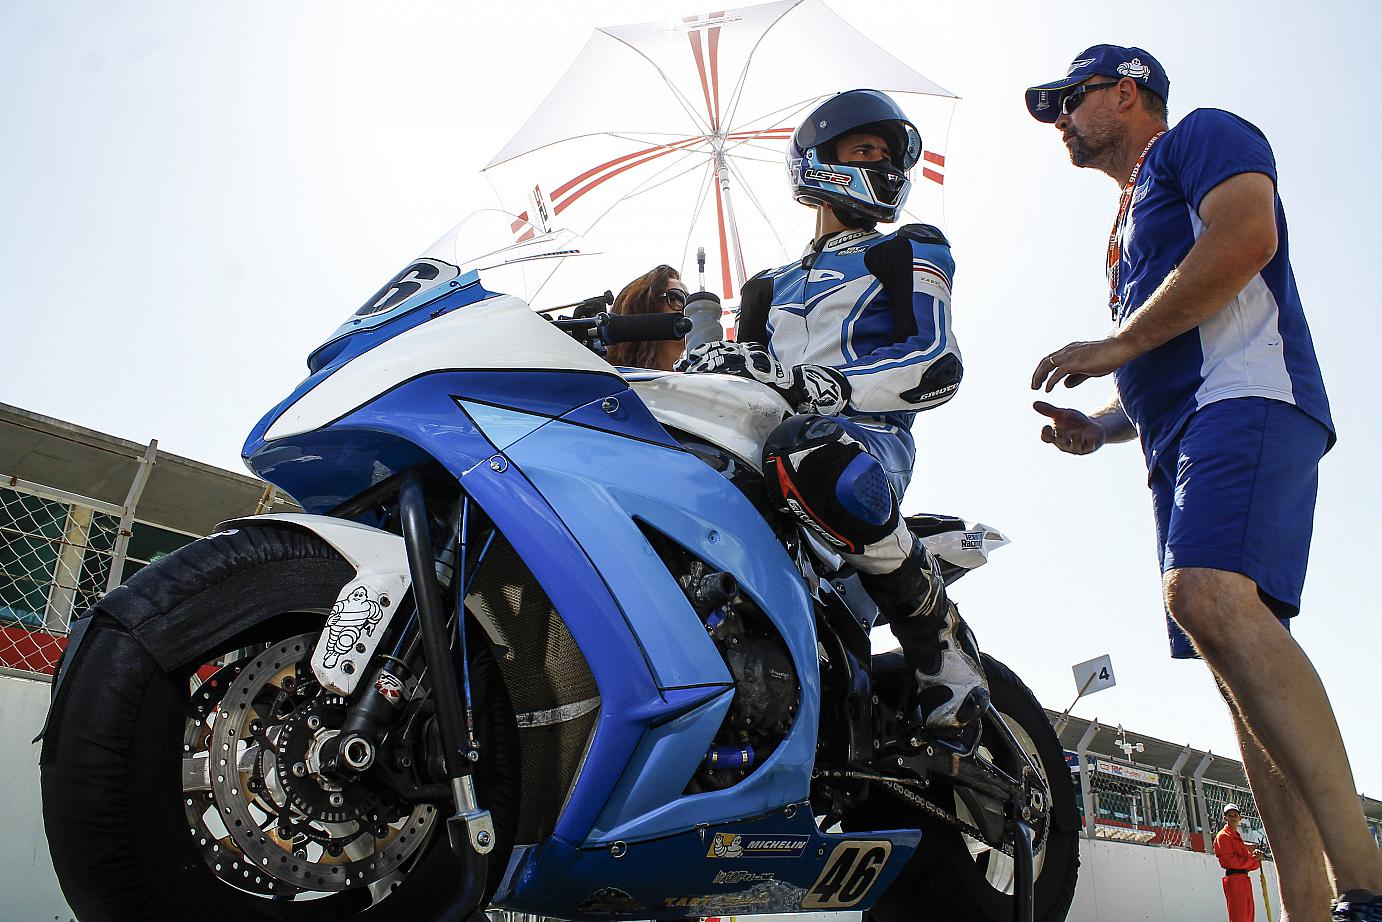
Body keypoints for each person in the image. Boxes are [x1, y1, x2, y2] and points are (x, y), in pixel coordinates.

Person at [1023, 45, 1382, 920]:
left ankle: (1367, 882)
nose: (1061, 120)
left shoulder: (1200, 137)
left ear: (1127, 89)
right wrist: (1101, 424)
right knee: (1234, 671)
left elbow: (1246, 237)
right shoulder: (1125, 225)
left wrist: (1113, 346)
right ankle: (1308, 905)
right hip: (1178, 435)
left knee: (1208, 594)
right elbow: (1162, 349)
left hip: (1250, 396)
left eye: (1071, 99)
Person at [679, 89, 985, 734]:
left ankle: (935, 633)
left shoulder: (908, 249)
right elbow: (746, 377)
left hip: (862, 442)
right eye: (865, 149)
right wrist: (706, 351)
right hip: (761, 447)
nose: (885, 166)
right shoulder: (765, 286)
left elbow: (933, 362)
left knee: (809, 449)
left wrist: (820, 386)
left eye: (889, 155)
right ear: (818, 159)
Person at [604, 264, 690, 370]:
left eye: (689, 300)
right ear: (643, 307)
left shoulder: (695, 380)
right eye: (677, 298)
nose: (688, 308)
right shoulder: (613, 380)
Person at [1215, 803, 1265, 922]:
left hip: (1243, 879)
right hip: (1234, 880)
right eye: (1229, 815)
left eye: (1235, 815)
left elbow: (1249, 863)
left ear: (1240, 818)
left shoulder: (1236, 837)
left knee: (1248, 916)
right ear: (1225, 817)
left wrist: (1257, 858)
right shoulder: (1223, 836)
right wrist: (1254, 859)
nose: (1232, 817)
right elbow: (1231, 862)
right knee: (1239, 917)